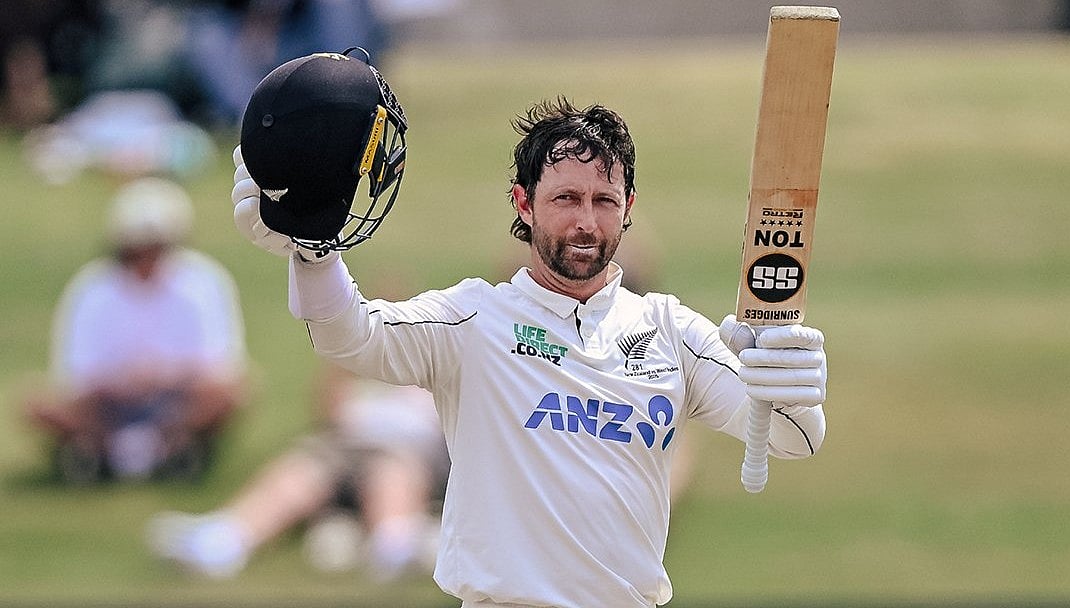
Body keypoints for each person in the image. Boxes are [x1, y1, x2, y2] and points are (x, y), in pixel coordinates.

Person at [230, 52, 827, 608]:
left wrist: (794, 383)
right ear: (523, 203)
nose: (585, 221)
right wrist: (313, 252)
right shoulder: (473, 320)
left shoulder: (671, 331)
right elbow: (348, 337)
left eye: (603, 200)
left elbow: (790, 438)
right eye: (565, 198)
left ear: (629, 205)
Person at [22, 177, 249, 483]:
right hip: (109, 406)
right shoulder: (92, 288)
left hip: (176, 401)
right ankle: (131, 450)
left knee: (230, 392)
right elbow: (75, 375)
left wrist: (160, 375)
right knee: (35, 402)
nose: (146, 258)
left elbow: (220, 364)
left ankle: (137, 450)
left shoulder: (203, 282)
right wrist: (122, 381)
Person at [146, 361, 449, 581]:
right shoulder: (357, 382)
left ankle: (393, 547)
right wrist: (348, 354)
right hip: (343, 446)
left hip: (405, 450)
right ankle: (222, 543)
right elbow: (327, 413)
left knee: (390, 473)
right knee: (300, 472)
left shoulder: (437, 376)